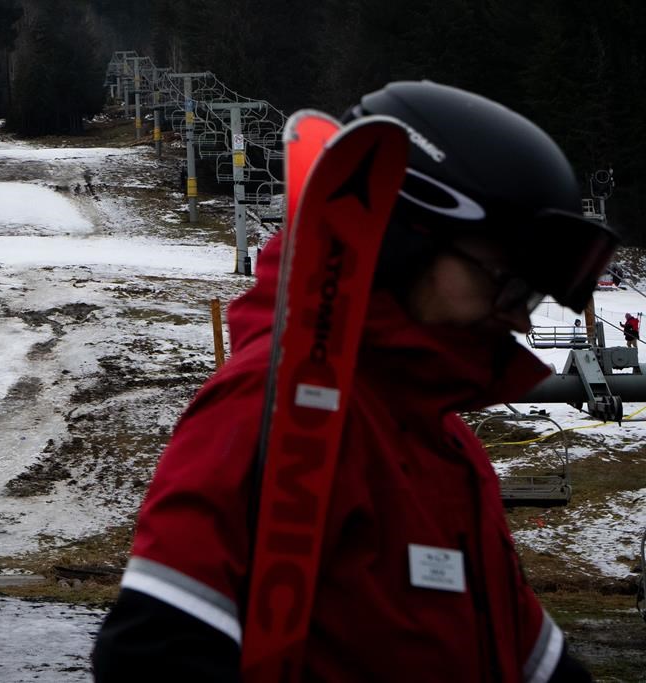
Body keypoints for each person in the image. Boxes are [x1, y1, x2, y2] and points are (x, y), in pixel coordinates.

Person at [92, 81, 618, 682]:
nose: (520, 318)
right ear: (397, 240)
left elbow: (528, 660)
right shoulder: (270, 409)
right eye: (505, 280)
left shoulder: (448, 448)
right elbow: (150, 655)